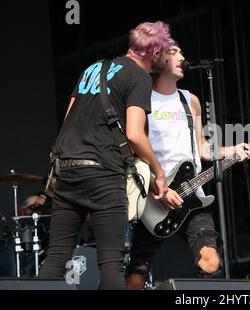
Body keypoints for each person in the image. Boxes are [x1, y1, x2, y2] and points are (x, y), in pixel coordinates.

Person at [39, 21, 170, 290]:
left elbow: (68, 119)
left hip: (68, 168)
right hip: (102, 172)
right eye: (165, 52)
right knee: (110, 261)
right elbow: (135, 134)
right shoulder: (139, 78)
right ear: (155, 54)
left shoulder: (93, 68)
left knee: (55, 258)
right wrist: (158, 171)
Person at [126, 40, 250, 290]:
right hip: (155, 196)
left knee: (210, 261)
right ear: (160, 59)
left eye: (182, 51)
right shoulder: (143, 98)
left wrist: (233, 151)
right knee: (137, 274)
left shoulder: (189, 100)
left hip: (193, 195)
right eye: (175, 52)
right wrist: (157, 187)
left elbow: (203, 147)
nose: (183, 57)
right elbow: (133, 148)